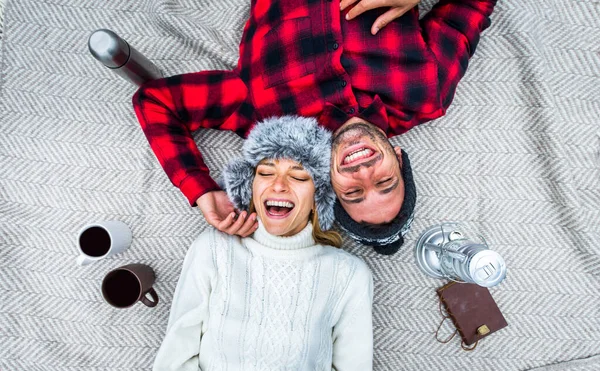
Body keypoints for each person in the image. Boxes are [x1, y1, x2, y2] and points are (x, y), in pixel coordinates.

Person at [132, 0, 497, 253]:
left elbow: (156, 102)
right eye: (385, 182)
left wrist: (200, 189)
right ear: (399, 159)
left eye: (354, 193)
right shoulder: (427, 91)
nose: (364, 173)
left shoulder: (264, 116)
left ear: (327, 181)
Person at [152, 117, 373, 371]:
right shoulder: (214, 248)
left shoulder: (348, 274)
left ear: (318, 201)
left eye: (298, 175)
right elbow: (175, 357)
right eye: (266, 173)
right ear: (252, 189)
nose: (278, 185)